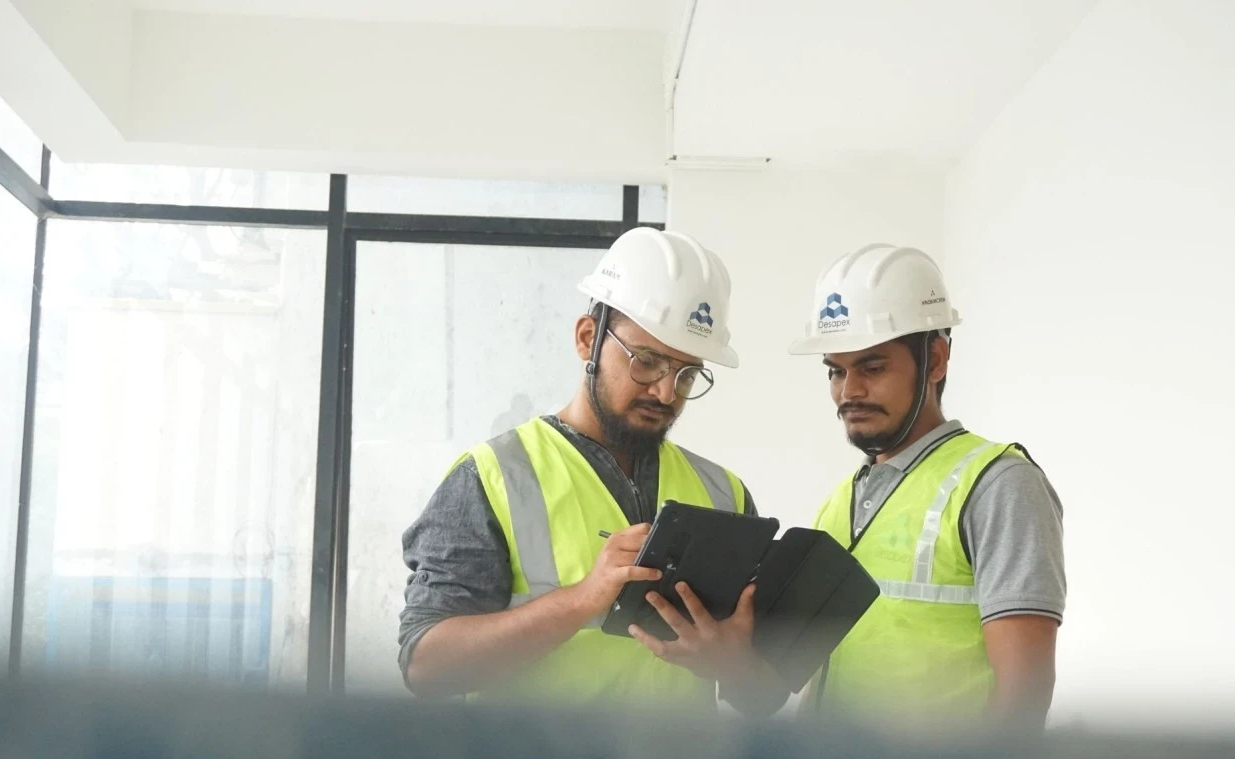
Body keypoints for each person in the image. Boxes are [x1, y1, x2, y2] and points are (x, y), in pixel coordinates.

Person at [397, 227, 778, 714]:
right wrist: (583, 599)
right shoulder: (493, 478)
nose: (666, 392)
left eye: (687, 374)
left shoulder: (725, 494)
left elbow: (764, 694)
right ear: (586, 338)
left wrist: (733, 664)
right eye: (647, 360)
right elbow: (425, 667)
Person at [787, 244, 1066, 730]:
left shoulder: (999, 483)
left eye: (872, 368)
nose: (849, 391)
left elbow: (1023, 695)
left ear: (935, 359)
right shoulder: (843, 499)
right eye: (836, 370)